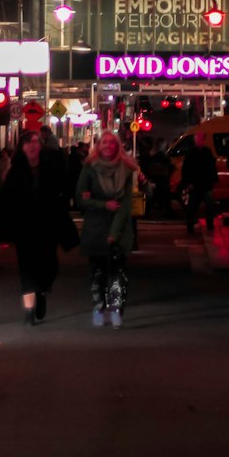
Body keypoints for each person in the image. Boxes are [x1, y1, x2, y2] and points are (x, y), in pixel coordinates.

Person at [0, 130, 76, 325]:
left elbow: (64, 188)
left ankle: (41, 292)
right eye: (28, 142)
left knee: (49, 266)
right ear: (22, 147)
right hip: (24, 226)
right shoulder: (16, 170)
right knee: (27, 268)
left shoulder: (51, 167)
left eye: (36, 142)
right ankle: (28, 311)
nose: (33, 145)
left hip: (47, 225)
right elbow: (5, 198)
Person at [75, 130, 135, 327]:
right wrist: (102, 204)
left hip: (118, 228)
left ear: (118, 146)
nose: (108, 146)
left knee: (118, 273)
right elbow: (80, 199)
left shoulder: (125, 169)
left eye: (112, 143)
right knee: (98, 272)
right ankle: (98, 307)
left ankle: (117, 310)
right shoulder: (90, 168)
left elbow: (125, 205)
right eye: (104, 143)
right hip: (95, 227)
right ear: (98, 146)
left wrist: (113, 234)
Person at [179, 130, 218, 234]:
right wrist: (189, 182)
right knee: (194, 207)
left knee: (206, 206)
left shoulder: (204, 152)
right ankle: (191, 226)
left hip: (203, 184)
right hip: (198, 185)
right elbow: (186, 169)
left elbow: (211, 167)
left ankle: (206, 225)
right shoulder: (194, 153)